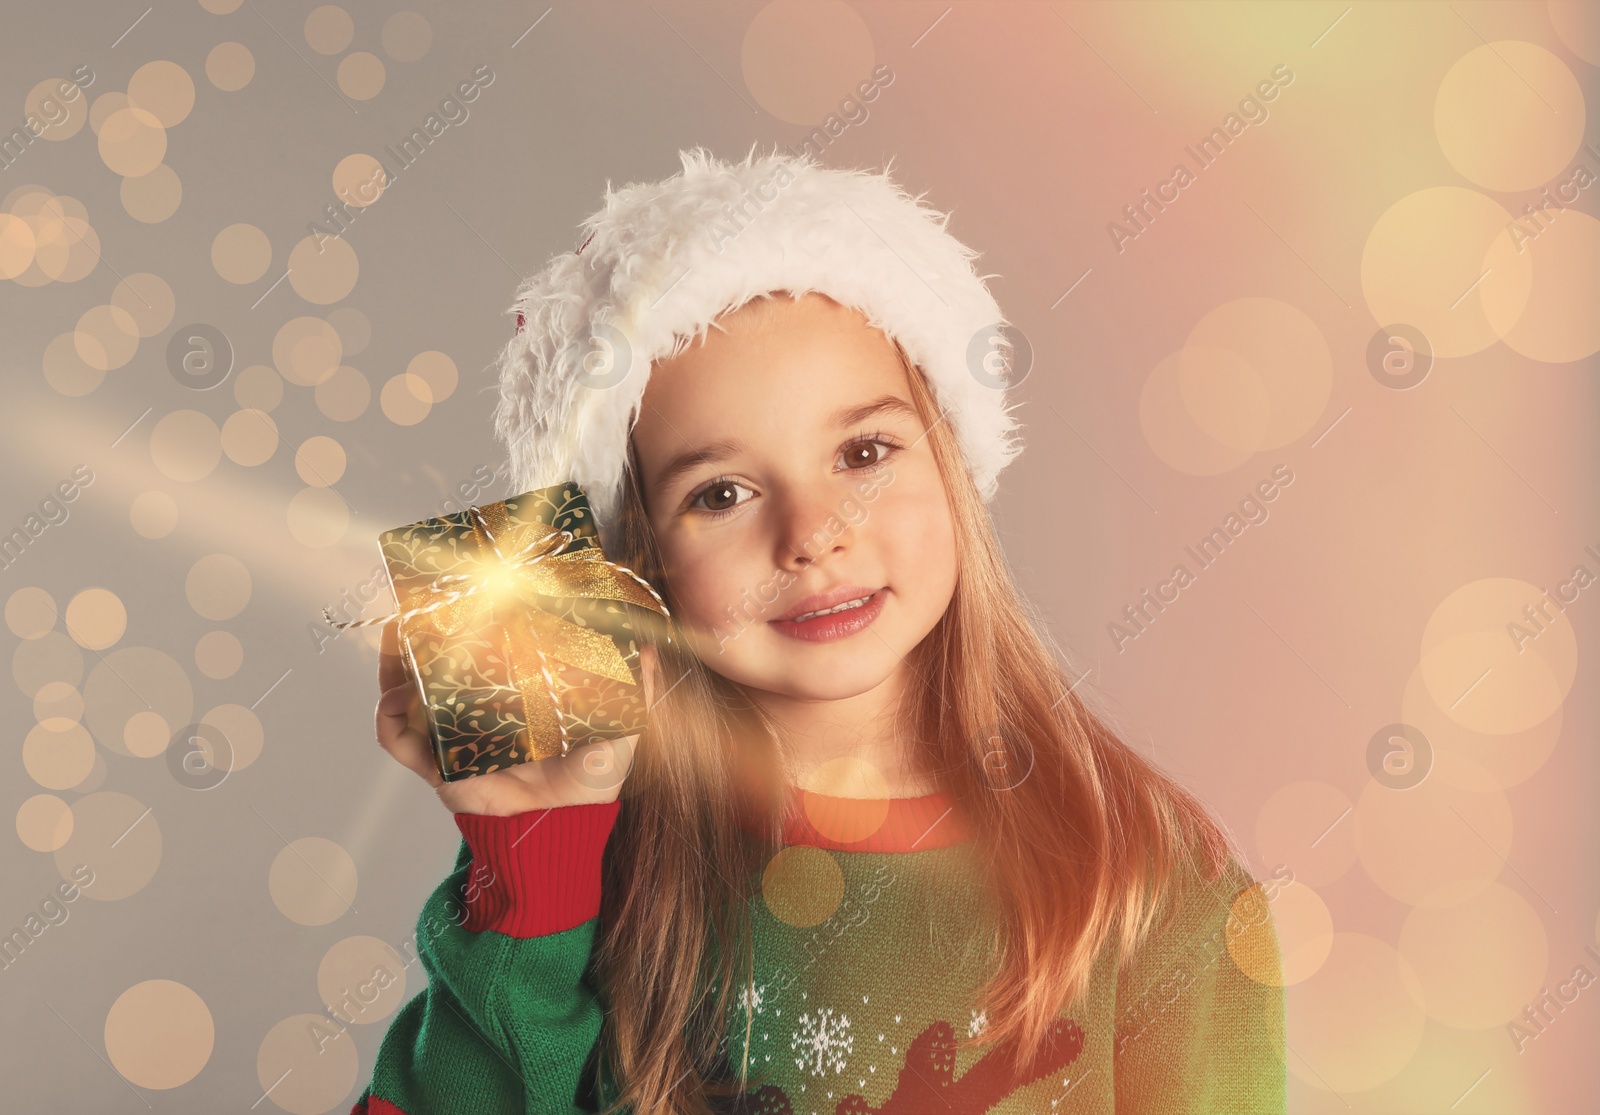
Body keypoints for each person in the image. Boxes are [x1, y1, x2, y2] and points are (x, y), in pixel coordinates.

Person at [350, 147, 1285, 1115]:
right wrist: (526, 861)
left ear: (956, 466)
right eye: (720, 493)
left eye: (863, 451)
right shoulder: (583, 856)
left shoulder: (1150, 883)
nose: (813, 536)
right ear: (635, 561)